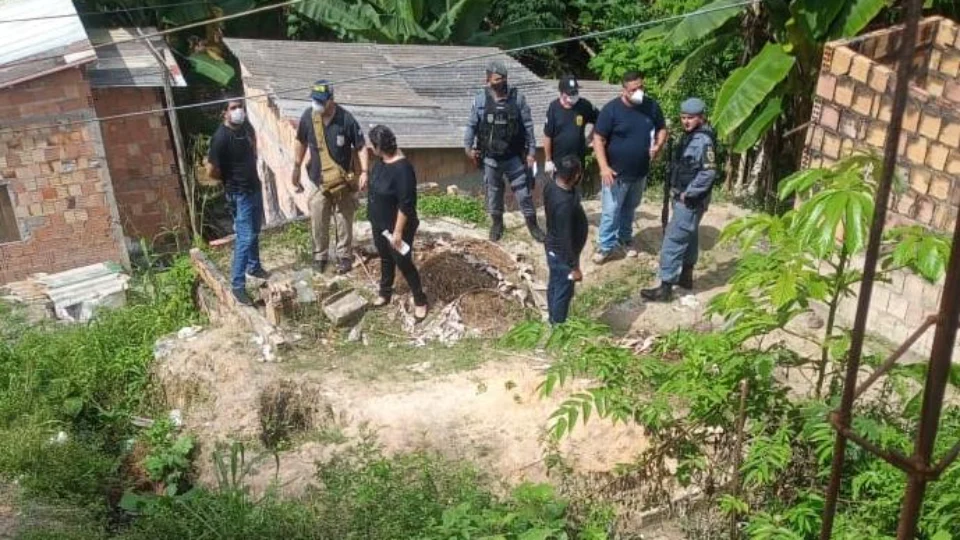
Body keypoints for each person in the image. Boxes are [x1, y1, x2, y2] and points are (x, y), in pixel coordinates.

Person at [641, 98, 717, 302]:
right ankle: (686, 277)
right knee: (689, 236)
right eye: (683, 117)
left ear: (701, 117)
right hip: (683, 196)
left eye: (690, 118)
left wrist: (689, 193)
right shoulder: (690, 137)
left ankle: (665, 286)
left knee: (672, 240)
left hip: (690, 199)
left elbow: (708, 173)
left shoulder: (703, 141)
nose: (686, 121)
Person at [291, 80, 370, 275]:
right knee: (318, 217)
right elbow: (300, 141)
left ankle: (344, 256)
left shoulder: (346, 120)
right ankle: (320, 256)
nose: (316, 104)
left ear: (331, 101)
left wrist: (365, 172)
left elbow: (361, 146)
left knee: (344, 218)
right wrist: (296, 166)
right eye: (315, 100)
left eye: (321, 101)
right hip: (318, 180)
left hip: (343, 181)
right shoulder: (308, 117)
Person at [464, 60, 545, 243]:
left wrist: (531, 153)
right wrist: (468, 148)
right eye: (497, 79)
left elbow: (528, 127)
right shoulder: (480, 100)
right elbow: (471, 125)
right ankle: (497, 224)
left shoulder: (518, 98)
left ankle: (533, 225)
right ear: (488, 79)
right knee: (494, 192)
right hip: (490, 158)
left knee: (523, 193)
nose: (501, 82)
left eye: (503, 78)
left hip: (514, 157)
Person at [592, 71, 668, 263]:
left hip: (640, 172)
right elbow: (598, 138)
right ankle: (605, 246)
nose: (639, 92)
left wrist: (658, 146)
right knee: (611, 211)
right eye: (634, 89)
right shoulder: (611, 110)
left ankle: (625, 239)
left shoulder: (651, 107)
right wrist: (604, 167)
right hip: (615, 174)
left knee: (630, 208)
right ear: (624, 91)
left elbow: (662, 128)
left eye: (641, 87)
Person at [206, 97, 269, 306]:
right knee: (244, 237)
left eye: (240, 106)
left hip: (254, 187)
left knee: (255, 230)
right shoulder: (221, 138)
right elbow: (210, 170)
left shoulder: (245, 128)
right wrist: (229, 181)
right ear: (225, 112)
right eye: (233, 108)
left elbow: (253, 146)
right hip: (239, 193)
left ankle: (254, 266)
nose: (238, 110)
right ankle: (238, 285)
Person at [365, 125, 429, 321]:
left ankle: (420, 300)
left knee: (402, 261)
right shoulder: (380, 163)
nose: (371, 149)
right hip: (379, 222)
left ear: (379, 147)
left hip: (398, 226)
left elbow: (406, 204)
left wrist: (398, 232)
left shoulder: (403, 169)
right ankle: (385, 292)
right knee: (385, 257)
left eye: (372, 146)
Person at [544, 155, 588, 325]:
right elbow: (566, 239)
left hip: (554, 248)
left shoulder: (551, 186)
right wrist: (574, 267)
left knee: (555, 284)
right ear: (575, 175)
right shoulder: (564, 205)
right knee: (563, 290)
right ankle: (558, 326)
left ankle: (552, 318)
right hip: (563, 255)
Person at [543, 75, 599, 179]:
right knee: (559, 191)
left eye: (575, 92)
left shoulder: (584, 105)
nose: (574, 95)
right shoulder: (554, 108)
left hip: (578, 159)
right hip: (559, 160)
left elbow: (600, 120)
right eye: (570, 93)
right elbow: (547, 135)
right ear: (562, 93)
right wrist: (548, 159)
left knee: (575, 191)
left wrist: (590, 137)